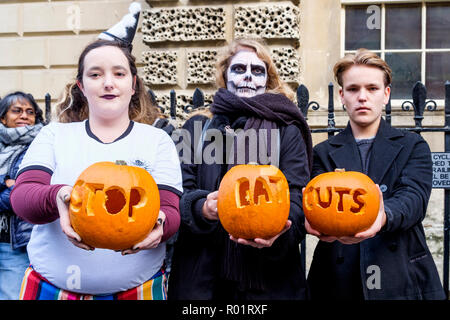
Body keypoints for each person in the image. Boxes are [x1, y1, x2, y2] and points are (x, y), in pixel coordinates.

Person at [9, 4, 182, 300]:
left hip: (137, 291)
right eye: (95, 74)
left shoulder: (158, 141)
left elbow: (171, 209)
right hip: (52, 290)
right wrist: (60, 195)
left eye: (119, 73)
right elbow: (23, 198)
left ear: (132, 84)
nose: (108, 83)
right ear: (81, 86)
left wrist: (162, 225)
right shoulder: (54, 134)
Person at [168, 38, 313, 300]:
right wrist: (202, 208)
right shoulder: (196, 129)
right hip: (202, 282)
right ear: (225, 75)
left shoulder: (286, 130)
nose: (248, 76)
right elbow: (176, 194)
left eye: (257, 71)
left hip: (269, 281)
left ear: (267, 80)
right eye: (239, 69)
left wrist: (279, 230)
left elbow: (297, 198)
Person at [305, 48, 446, 300]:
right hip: (337, 278)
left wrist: (382, 216)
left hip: (400, 273)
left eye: (372, 89)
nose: (362, 97)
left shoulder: (413, 145)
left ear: (386, 95)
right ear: (342, 96)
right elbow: (319, 204)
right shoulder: (322, 153)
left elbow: (413, 198)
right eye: (353, 89)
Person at [0, 92, 44, 299]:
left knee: (12, 293)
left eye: (30, 112)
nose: (24, 116)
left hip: (15, 239)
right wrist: (5, 182)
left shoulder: (41, 146)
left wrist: (15, 188)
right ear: (3, 117)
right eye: (16, 111)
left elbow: (23, 196)